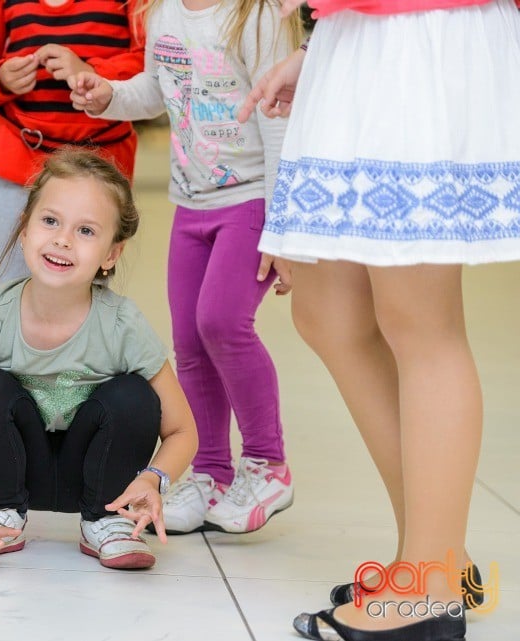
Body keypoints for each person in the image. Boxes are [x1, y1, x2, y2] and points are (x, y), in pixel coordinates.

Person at [238, 0, 520, 639]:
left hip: (422, 38)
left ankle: (430, 586)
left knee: (421, 321)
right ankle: (440, 554)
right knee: (325, 309)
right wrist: (320, 49)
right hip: (362, 40)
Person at [69, 0, 302, 534]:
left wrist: (283, 223)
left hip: (250, 199)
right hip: (192, 201)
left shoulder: (256, 15)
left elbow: (278, 121)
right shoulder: (164, 13)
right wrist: (110, 95)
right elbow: (156, 89)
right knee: (190, 343)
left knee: (222, 323)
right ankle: (211, 471)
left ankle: (268, 462)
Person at [0, 149, 199, 577]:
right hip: (15, 473)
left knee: (133, 394)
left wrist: (153, 479)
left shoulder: (122, 325)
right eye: (50, 221)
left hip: (96, 481)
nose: (63, 239)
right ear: (25, 230)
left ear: (111, 254)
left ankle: (106, 524)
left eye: (86, 230)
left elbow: (183, 430)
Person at [0, 0, 144, 284]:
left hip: (101, 169)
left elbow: (154, 68)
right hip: (16, 166)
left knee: (86, 292)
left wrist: (91, 71)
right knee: (9, 288)